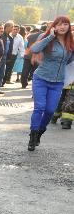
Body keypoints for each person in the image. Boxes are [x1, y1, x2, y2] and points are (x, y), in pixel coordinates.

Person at [27, 16, 74, 151]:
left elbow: (70, 61)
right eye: (59, 24)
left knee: (50, 110)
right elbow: (35, 50)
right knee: (39, 107)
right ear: (54, 26)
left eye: (65, 24)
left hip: (58, 82)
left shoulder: (70, 43)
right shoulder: (48, 39)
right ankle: (32, 136)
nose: (63, 27)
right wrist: (50, 37)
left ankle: (39, 133)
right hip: (41, 78)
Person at [0, 21, 14, 94]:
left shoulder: (9, 37)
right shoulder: (1, 36)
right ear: (7, 27)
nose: (12, 28)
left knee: (1, 73)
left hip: (5, 57)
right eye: (12, 27)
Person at [20, 24, 44, 89]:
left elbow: (27, 46)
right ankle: (35, 86)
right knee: (35, 72)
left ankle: (23, 84)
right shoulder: (45, 36)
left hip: (28, 55)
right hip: (38, 57)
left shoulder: (30, 36)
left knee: (25, 70)